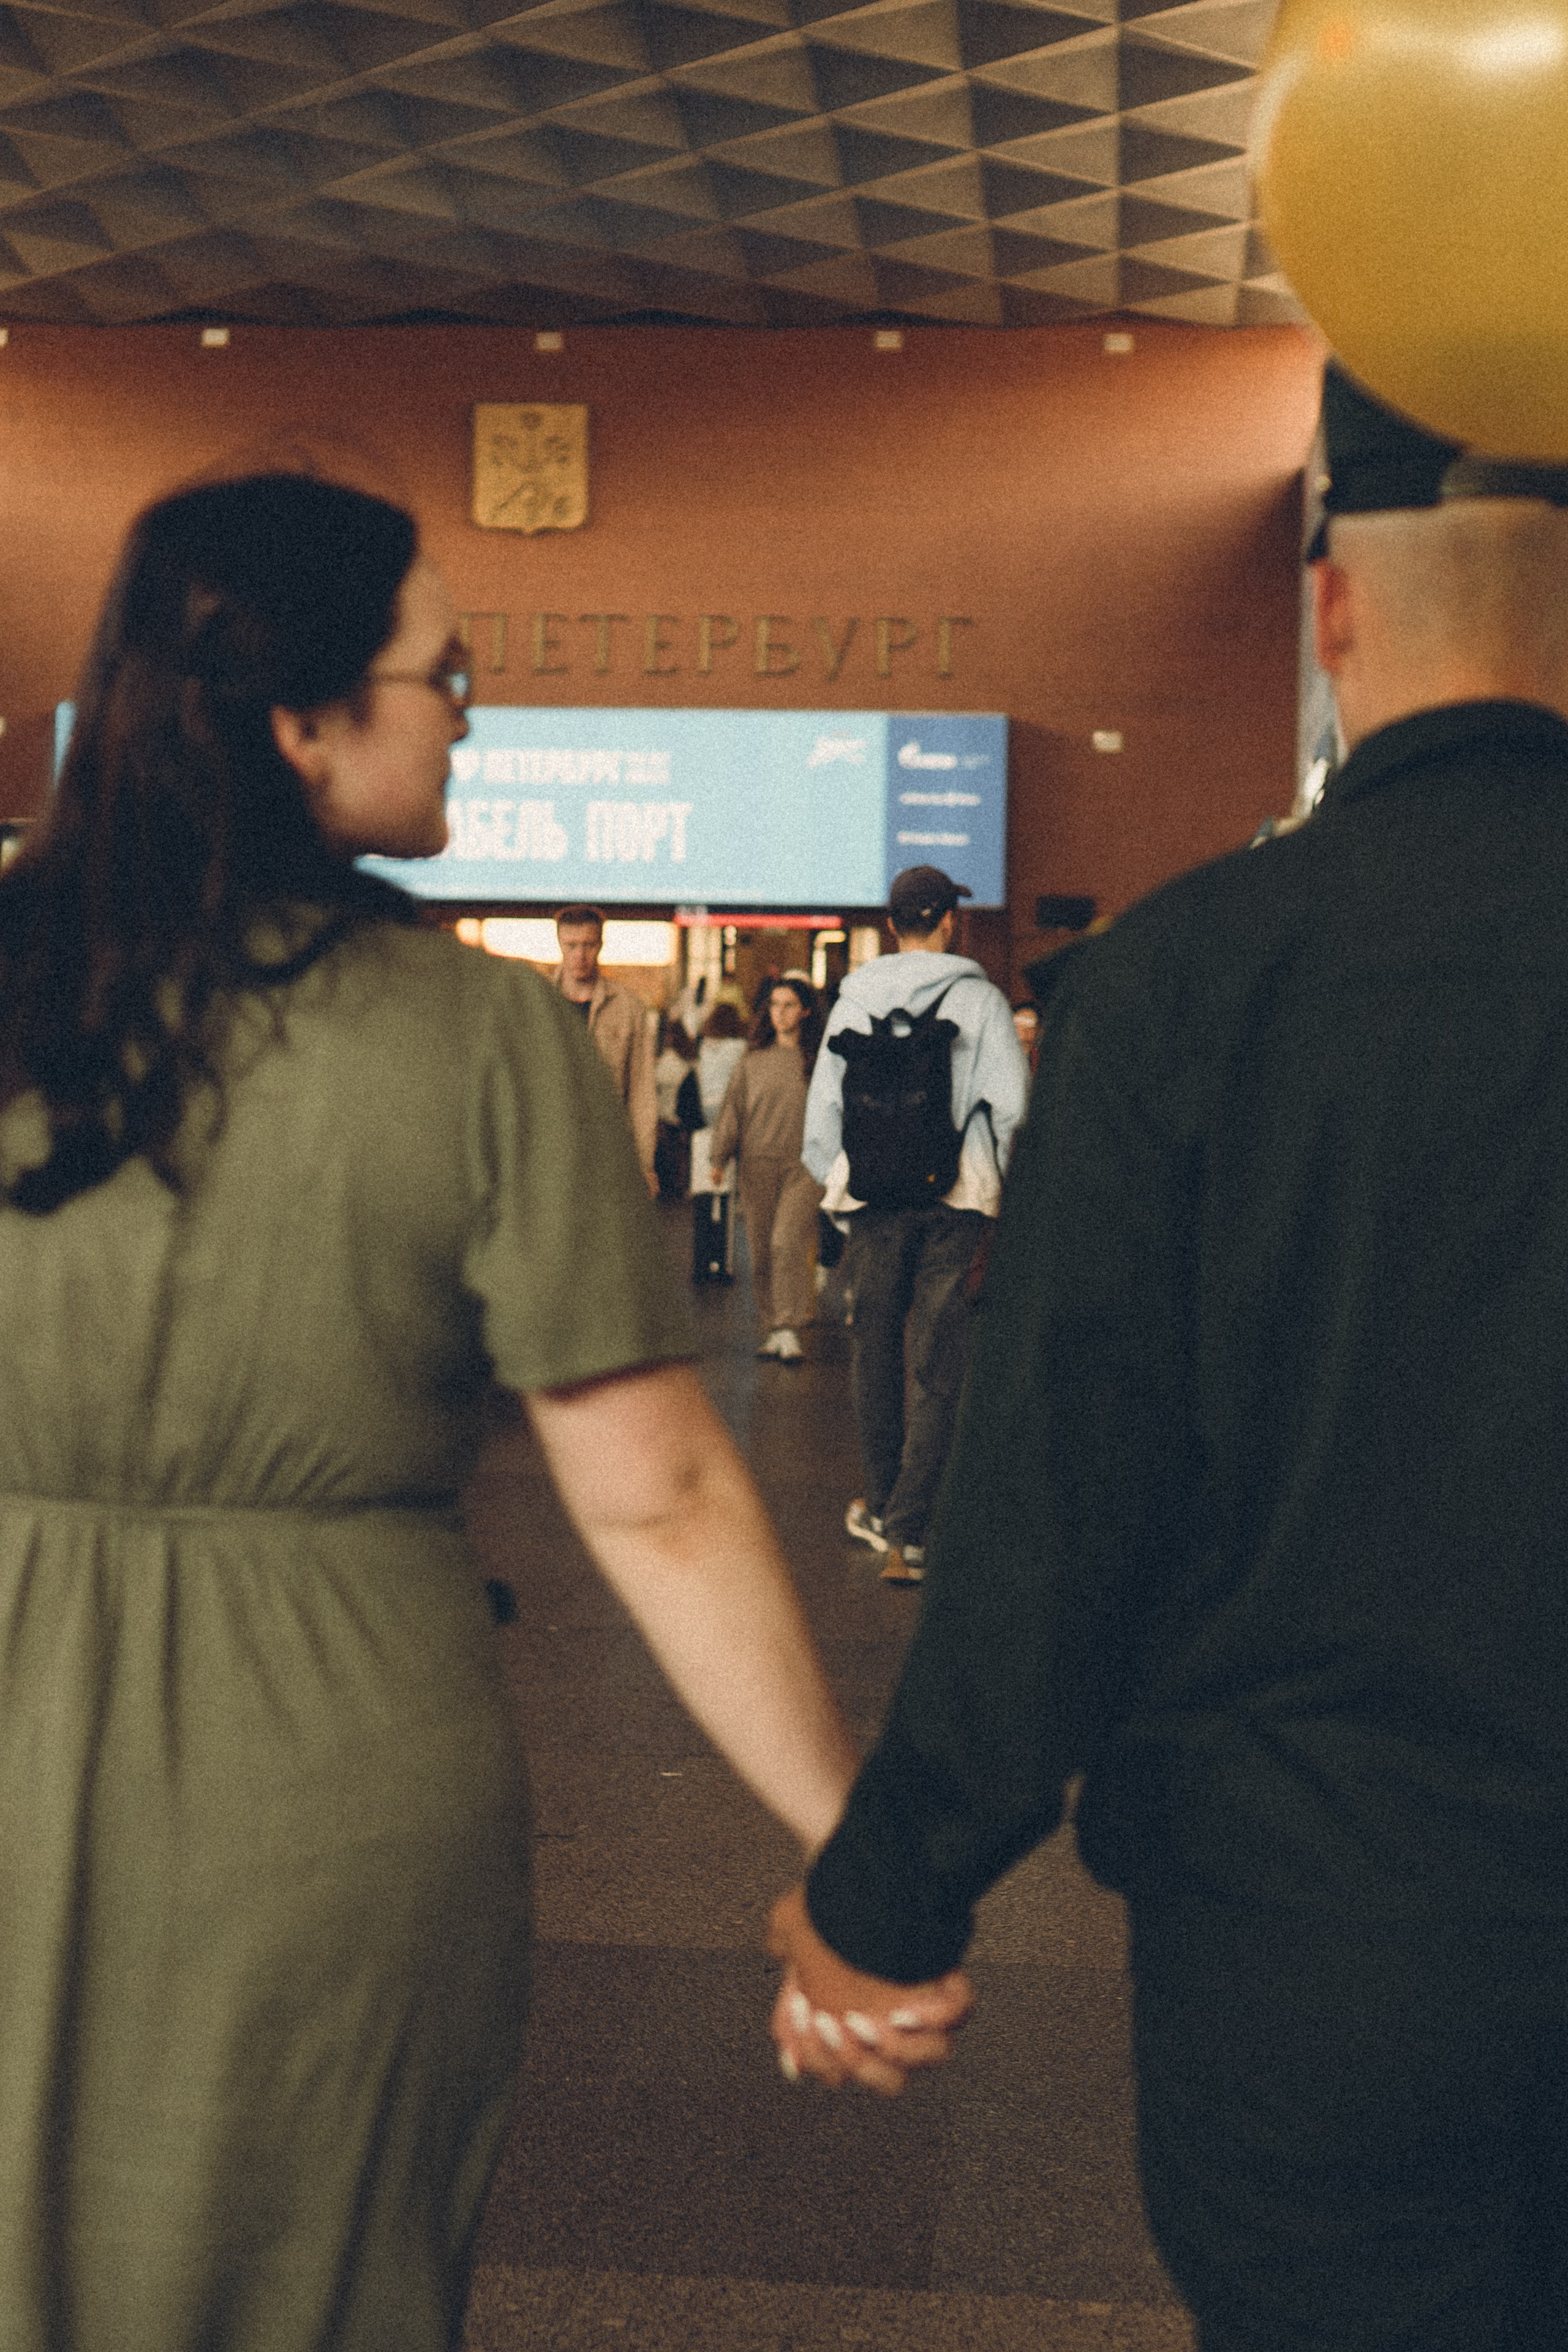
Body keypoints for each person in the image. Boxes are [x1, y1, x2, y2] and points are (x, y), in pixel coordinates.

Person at [0, 472, 865, 2352]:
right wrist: (853, 1847)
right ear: (301, 723)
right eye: (445, 674)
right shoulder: (476, 1039)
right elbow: (654, 1492)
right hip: (328, 1762)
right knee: (313, 2271)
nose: (471, 715)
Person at [768, 363, 1568, 2348]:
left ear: (1333, 607)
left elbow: (1057, 1505)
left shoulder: (1188, 984)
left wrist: (887, 1899)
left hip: (1320, 1958)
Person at [802, 866, 1028, 1585]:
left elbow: (821, 1121)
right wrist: (998, 1185)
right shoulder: (981, 1000)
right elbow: (1013, 1108)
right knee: (940, 1364)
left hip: (873, 1203)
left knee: (874, 1355)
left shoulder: (851, 1001)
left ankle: (878, 1506)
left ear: (893, 924)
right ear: (947, 921)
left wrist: (846, 1177)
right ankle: (911, 1529)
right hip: (956, 1201)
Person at [710, 974, 824, 1362]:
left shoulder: (819, 1062)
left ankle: (789, 1326)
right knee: (760, 1251)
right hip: (756, 1165)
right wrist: (718, 1158)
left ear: (805, 1012)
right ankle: (774, 1327)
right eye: (775, 1005)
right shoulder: (753, 1060)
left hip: (804, 1167)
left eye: (789, 1005)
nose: (780, 1013)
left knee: (786, 1242)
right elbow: (733, 1110)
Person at [552, 903, 658, 1191]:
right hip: (550, 1149)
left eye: (588, 945)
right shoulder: (539, 1003)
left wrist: (644, 1164)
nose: (580, 955)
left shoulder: (628, 1007)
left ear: (600, 944)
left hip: (608, 1150)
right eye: (571, 945)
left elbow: (642, 1092)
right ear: (559, 943)